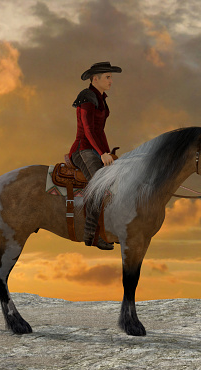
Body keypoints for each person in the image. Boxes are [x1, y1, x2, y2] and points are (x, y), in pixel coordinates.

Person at [69, 61, 122, 250]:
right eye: (108, 77)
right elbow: (89, 130)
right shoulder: (86, 97)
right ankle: (92, 235)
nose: (111, 80)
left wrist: (107, 153)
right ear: (95, 79)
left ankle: (111, 228)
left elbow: (100, 132)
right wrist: (101, 153)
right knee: (98, 187)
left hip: (94, 150)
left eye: (110, 77)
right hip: (82, 150)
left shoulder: (101, 98)